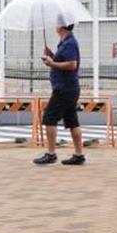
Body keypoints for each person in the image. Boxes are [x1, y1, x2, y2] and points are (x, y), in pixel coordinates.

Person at [34, 15, 85, 166]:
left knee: (49, 118)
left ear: (62, 26)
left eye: (57, 23)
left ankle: (51, 153)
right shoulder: (65, 42)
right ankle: (79, 154)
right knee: (72, 121)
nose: (55, 25)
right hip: (69, 88)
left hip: (64, 89)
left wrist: (52, 63)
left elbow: (71, 64)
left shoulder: (69, 43)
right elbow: (64, 61)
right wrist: (52, 56)